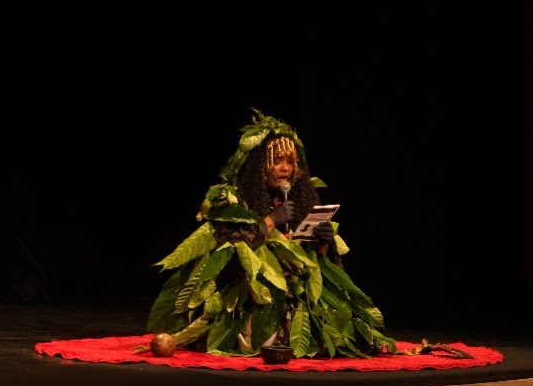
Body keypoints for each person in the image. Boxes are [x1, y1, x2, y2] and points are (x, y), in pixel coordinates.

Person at [147, 110, 396, 358]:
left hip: (295, 292)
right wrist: (271, 221)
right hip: (251, 295)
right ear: (260, 166)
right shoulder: (236, 200)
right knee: (259, 341)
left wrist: (323, 243)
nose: (285, 168)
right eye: (277, 161)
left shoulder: (299, 199)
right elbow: (231, 259)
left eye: (290, 162)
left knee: (340, 336)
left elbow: (316, 266)